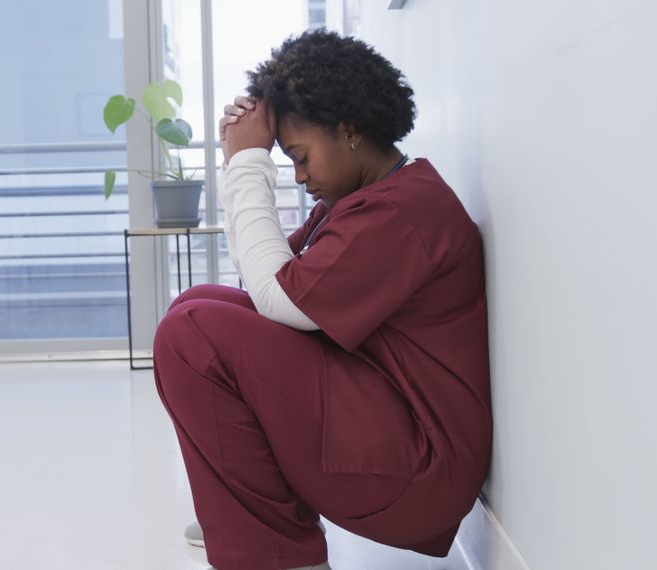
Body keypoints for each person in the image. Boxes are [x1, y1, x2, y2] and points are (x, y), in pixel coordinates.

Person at [152, 29, 491, 570]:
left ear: (349, 131)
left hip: (418, 473)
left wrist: (247, 163)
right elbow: (260, 280)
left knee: (192, 334)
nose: (300, 175)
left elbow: (276, 295)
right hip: (393, 432)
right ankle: (246, 512)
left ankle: (276, 554)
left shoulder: (400, 213)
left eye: (301, 155)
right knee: (198, 305)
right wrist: (241, 157)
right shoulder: (366, 200)